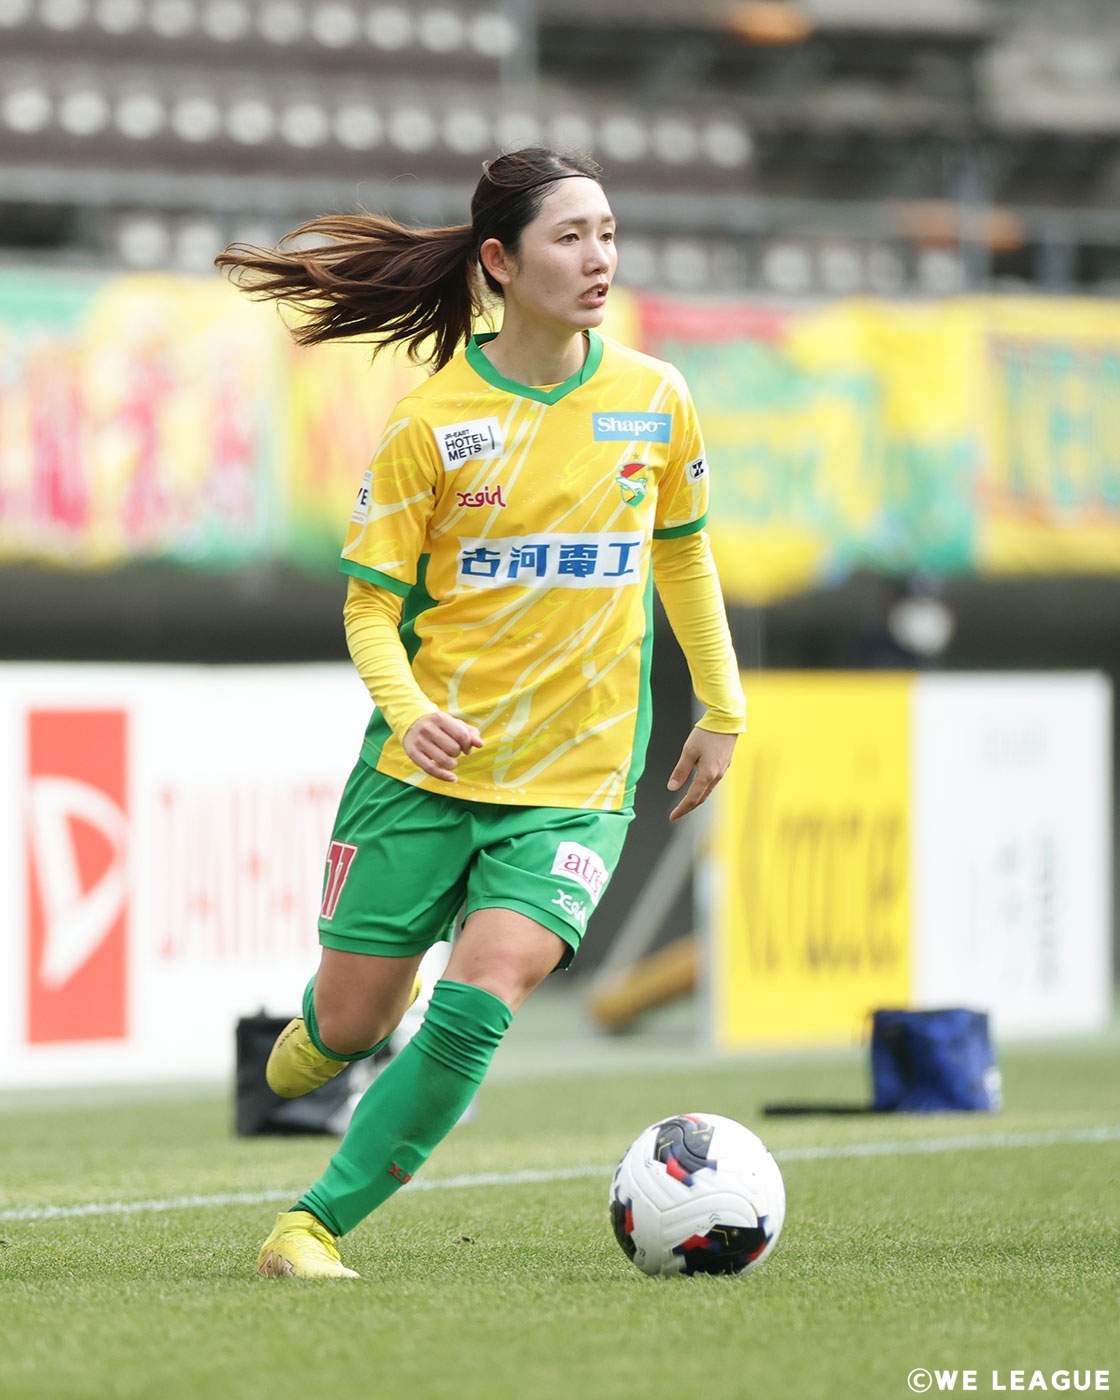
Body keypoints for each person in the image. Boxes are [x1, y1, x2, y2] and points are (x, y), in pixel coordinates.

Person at [216, 146, 747, 1279]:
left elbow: (684, 555)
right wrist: (408, 711)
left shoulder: (655, 398)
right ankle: (331, 1027)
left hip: (575, 781)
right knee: (350, 1026)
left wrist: (722, 703)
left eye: (608, 232)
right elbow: (371, 609)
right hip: (423, 771)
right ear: (500, 262)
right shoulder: (433, 422)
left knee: (484, 992)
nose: (598, 258)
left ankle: (310, 1225)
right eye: (571, 236)